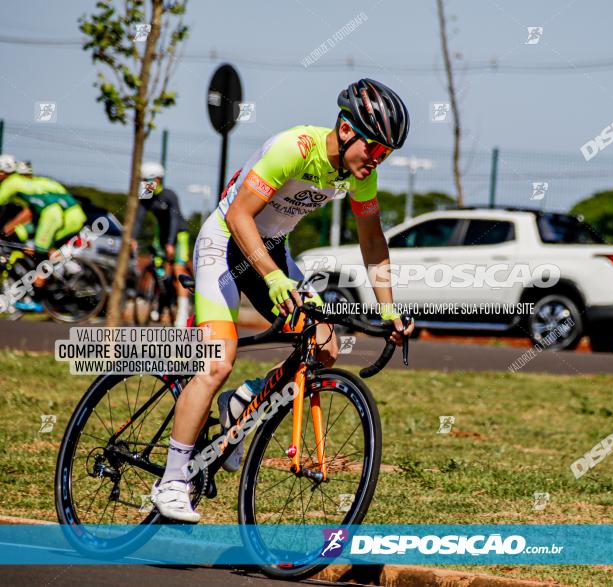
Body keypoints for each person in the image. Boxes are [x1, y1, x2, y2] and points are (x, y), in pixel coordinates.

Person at [150, 78, 415, 522]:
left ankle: (244, 401)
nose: (377, 160)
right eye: (375, 148)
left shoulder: (359, 175)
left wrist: (388, 304)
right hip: (227, 241)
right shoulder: (296, 147)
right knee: (218, 359)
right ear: (347, 129)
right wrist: (272, 278)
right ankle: (172, 480)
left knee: (325, 347)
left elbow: (371, 237)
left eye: (386, 154)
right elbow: (238, 214)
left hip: (271, 248)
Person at [0, 156, 87, 309]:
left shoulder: (12, 182)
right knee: (46, 251)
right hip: (73, 215)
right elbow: (31, 209)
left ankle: (37, 298)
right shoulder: (41, 182)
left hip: (53, 217)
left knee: (40, 253)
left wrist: (9, 227)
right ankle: (66, 269)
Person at [132, 161, 192, 326]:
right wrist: (133, 238)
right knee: (159, 271)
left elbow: (174, 219)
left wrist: (171, 243)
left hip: (178, 234)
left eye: (146, 180)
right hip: (161, 234)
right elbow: (138, 219)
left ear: (156, 180)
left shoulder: (169, 195)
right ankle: (159, 305)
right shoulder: (147, 194)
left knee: (177, 269)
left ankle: (182, 311)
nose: (143, 184)